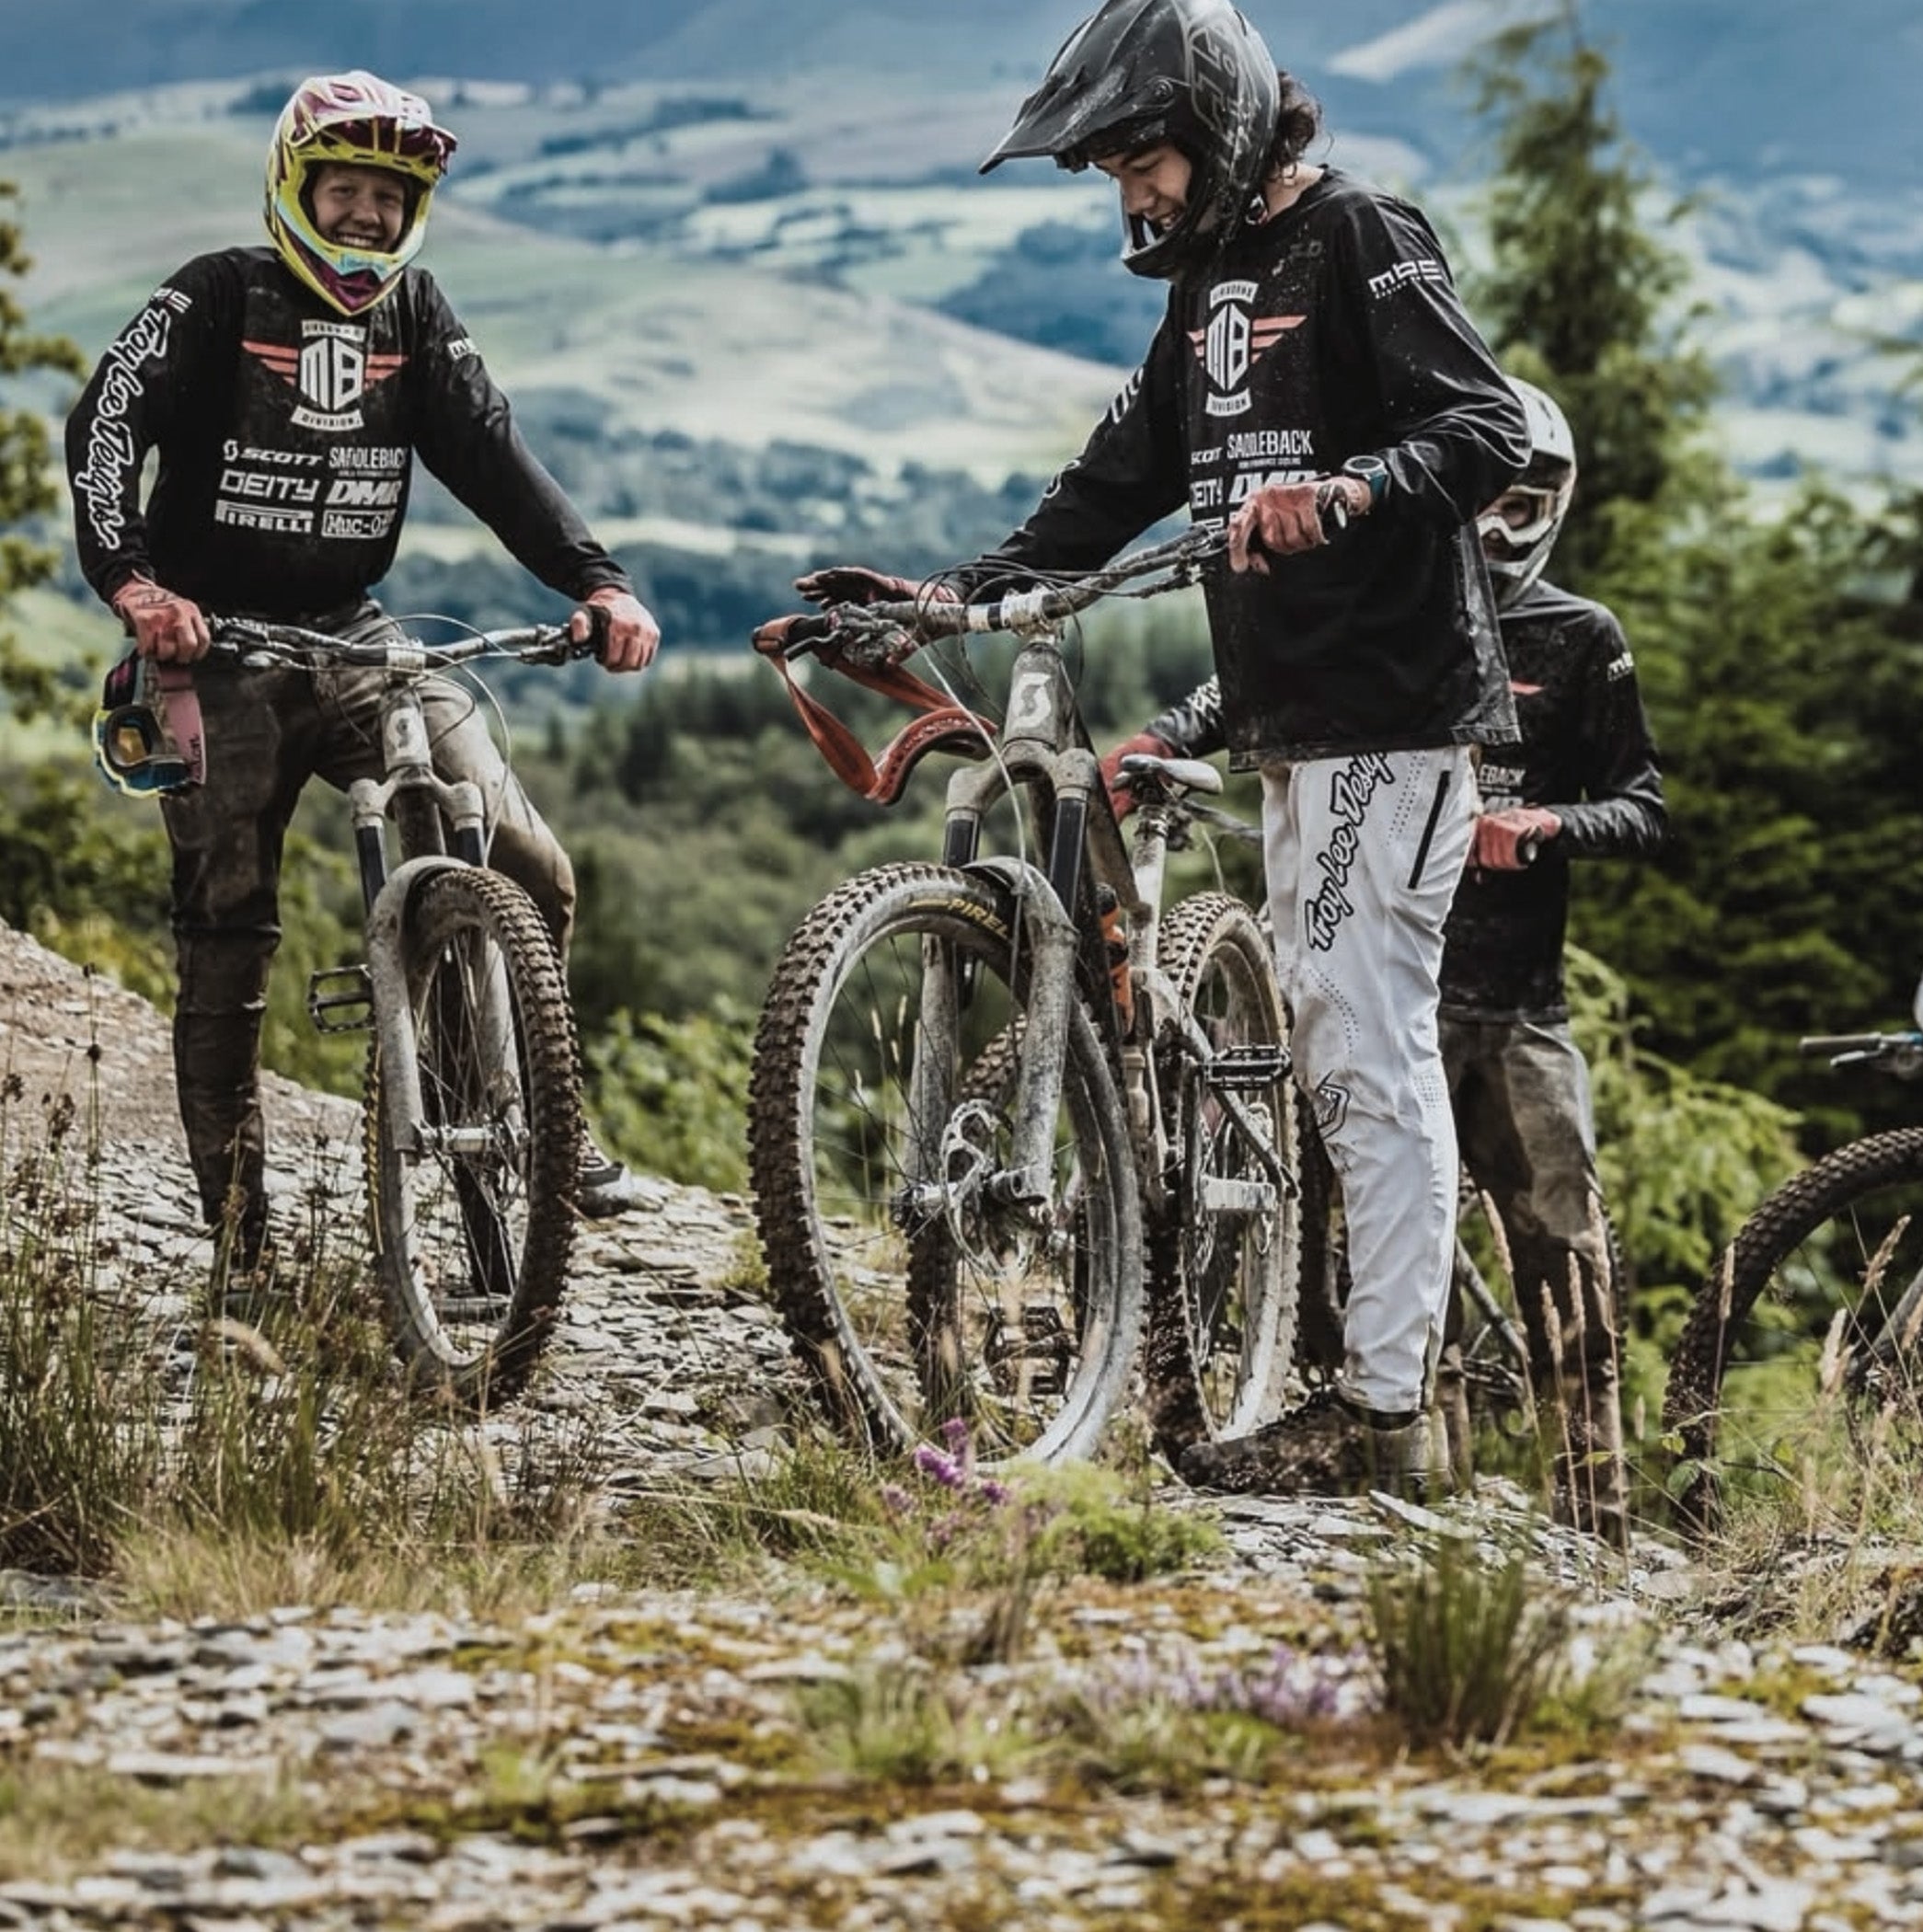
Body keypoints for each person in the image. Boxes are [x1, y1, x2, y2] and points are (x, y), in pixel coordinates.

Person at [789, 0, 1529, 1498]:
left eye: (1145, 160)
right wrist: (954, 596)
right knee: (1332, 1034)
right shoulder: (1206, 300)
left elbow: (1487, 428)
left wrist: (1354, 490)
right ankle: (1342, 1381)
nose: (1130, 195)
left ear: (1229, 125)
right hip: (1298, 728)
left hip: (1390, 723)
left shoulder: (1363, 239)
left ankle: (1389, 1422)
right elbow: (1104, 486)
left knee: (1358, 1042)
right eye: (1114, 172)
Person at [66, 70, 663, 1284]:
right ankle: (242, 1248)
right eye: (344, 191)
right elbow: (105, 421)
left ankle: (510, 1109)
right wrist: (133, 583)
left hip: (358, 633)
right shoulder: (217, 295)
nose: (366, 220)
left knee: (527, 864)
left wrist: (597, 582)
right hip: (216, 652)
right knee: (227, 929)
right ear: (298, 188)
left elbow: (493, 458)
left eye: (388, 200)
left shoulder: (413, 315)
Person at [1106, 377, 1666, 1543]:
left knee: (1560, 1243)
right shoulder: (1395, 617)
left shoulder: (1580, 640)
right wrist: (1163, 735)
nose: (1504, 524)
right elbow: (1254, 688)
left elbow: (1647, 808)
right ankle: (1424, 1494)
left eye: (1530, 502)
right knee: (1370, 1225)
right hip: (1388, 981)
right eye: (1490, 502)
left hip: (1513, 1010)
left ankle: (1598, 1516)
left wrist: (1549, 826)